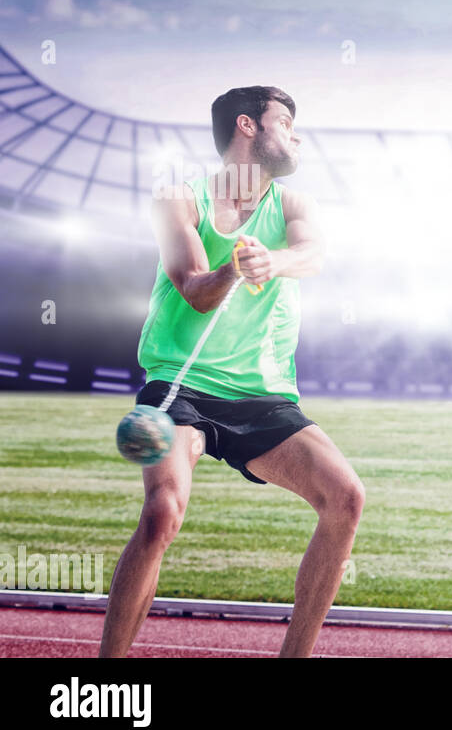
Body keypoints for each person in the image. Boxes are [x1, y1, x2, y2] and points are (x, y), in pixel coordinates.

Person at [98, 86, 364, 658]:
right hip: (179, 385)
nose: (296, 136)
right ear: (247, 126)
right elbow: (194, 288)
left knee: (346, 498)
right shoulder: (179, 199)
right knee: (163, 511)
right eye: (285, 122)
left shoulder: (293, 206)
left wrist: (272, 260)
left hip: (261, 394)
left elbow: (312, 255)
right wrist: (231, 268)